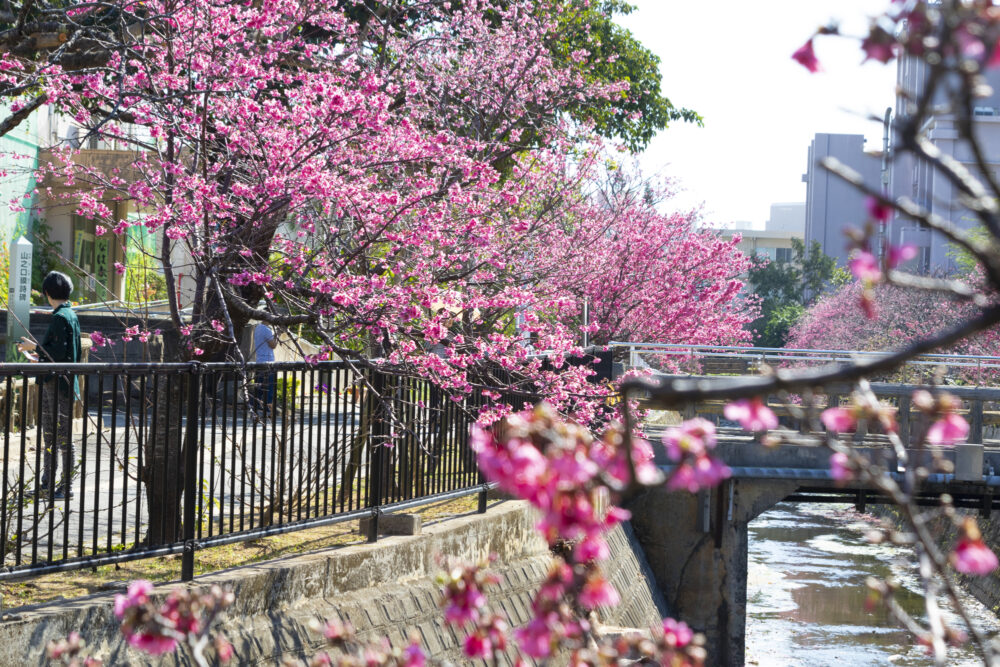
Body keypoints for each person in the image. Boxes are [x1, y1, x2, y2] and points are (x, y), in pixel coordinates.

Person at [17, 271, 81, 500]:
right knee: (58, 437)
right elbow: (63, 352)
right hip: (64, 381)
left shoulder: (60, 317)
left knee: (57, 437)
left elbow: (55, 354)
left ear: (47, 293)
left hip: (56, 383)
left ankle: (62, 486)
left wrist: (32, 348)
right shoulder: (70, 314)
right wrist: (38, 354)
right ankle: (54, 485)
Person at [253, 321, 278, 416]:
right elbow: (273, 345)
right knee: (269, 387)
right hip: (268, 361)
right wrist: (278, 334)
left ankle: (256, 408)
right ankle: (267, 410)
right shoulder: (267, 330)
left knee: (259, 387)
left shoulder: (257, 328)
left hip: (259, 360)